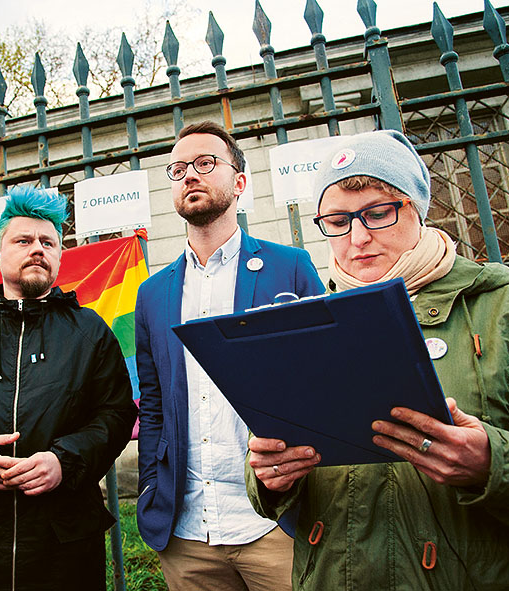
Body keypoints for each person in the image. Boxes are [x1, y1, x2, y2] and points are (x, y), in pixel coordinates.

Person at [246, 129, 509, 590]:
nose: (357, 238)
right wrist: (273, 477)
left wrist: (495, 463)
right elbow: (266, 461)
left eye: (378, 213)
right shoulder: (305, 324)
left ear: (417, 209)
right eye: (336, 221)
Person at [0, 186, 137, 591]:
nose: (38, 249)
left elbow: (117, 415)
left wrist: (63, 462)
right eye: (24, 240)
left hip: (65, 548)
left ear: (59, 257)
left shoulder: (90, 332)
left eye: (48, 242)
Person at [135, 120, 325, 591]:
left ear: (239, 182)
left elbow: (325, 377)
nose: (190, 176)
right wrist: (149, 490)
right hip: (187, 532)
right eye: (178, 169)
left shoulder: (290, 268)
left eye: (205, 163)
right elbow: (153, 403)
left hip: (275, 522)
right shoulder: (153, 293)